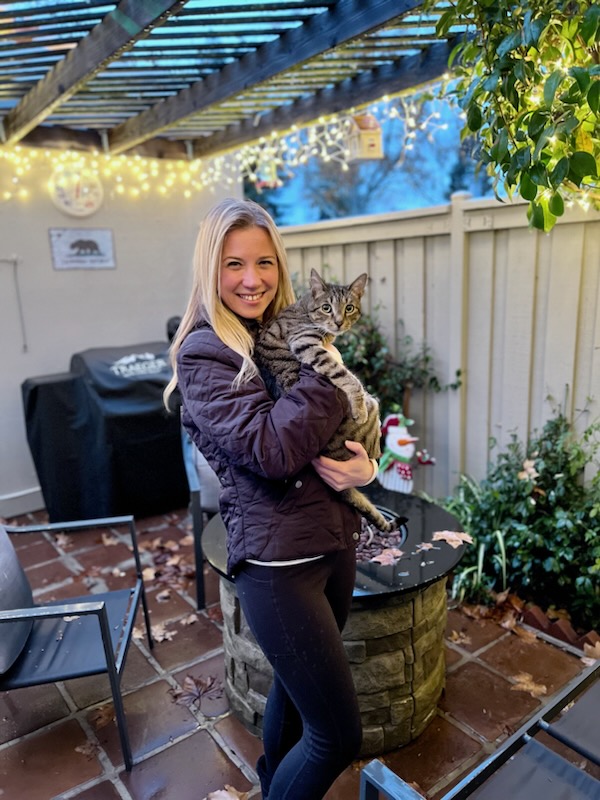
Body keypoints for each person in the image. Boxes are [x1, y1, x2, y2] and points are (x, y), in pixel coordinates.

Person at [164, 198, 378, 800]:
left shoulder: (279, 328)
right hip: (280, 565)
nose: (252, 279)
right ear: (210, 268)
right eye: (234, 264)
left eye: (264, 262)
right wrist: (328, 374)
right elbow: (273, 451)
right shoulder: (205, 353)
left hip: (330, 540)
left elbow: (333, 431)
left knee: (295, 696)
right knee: (337, 736)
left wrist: (366, 466)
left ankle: (271, 785)